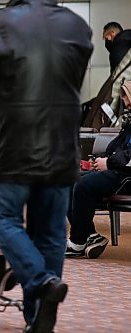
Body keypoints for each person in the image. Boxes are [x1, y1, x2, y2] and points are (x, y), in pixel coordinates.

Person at [0, 1, 93, 332]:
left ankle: (42, 282)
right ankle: (39, 319)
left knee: (2, 218)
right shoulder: (76, 26)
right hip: (63, 146)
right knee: (51, 233)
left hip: (16, 146)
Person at [66, 81, 131, 259]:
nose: (124, 100)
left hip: (125, 178)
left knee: (83, 185)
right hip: (118, 172)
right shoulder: (129, 122)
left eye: (126, 96)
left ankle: (78, 242)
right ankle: (90, 236)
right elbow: (116, 148)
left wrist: (108, 163)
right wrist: (99, 160)